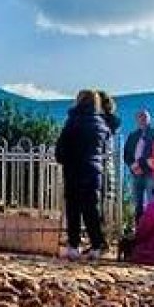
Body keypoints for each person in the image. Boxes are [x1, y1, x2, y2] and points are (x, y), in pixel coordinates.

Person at [55, 90, 111, 261]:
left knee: (73, 209)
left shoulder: (73, 122)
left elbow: (61, 149)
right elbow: (104, 149)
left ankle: (73, 245)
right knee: (91, 209)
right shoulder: (101, 124)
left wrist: (64, 159)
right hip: (94, 171)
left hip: (74, 169)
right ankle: (96, 245)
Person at [123, 109, 154, 222]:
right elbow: (126, 154)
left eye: (145, 117)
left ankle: (153, 228)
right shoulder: (132, 136)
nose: (142, 119)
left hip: (150, 173)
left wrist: (142, 166)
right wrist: (132, 165)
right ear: (136, 120)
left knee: (152, 202)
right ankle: (139, 228)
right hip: (135, 173)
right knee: (137, 203)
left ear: (149, 119)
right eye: (140, 117)